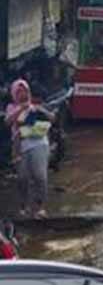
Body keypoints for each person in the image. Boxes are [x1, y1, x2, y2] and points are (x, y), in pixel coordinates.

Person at [4, 79, 54, 219]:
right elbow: (8, 122)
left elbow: (52, 118)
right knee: (22, 179)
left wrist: (39, 109)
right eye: (18, 92)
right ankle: (23, 207)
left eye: (24, 91)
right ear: (14, 94)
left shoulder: (36, 105)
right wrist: (21, 108)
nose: (22, 94)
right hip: (20, 147)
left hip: (39, 143)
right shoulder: (11, 107)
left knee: (40, 177)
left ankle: (40, 208)